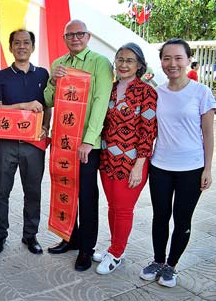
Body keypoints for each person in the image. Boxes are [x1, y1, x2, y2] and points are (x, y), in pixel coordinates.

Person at [139, 38, 215, 288]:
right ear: (161, 62)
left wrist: (207, 168)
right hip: (160, 165)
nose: (172, 64)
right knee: (160, 216)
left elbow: (207, 133)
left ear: (188, 60)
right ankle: (158, 261)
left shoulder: (201, 92)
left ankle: (171, 265)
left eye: (178, 58)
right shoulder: (156, 93)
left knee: (182, 219)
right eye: (167, 58)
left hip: (191, 169)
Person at [44, 20, 113, 271]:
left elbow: (100, 101)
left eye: (79, 34)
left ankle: (87, 248)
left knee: (86, 195)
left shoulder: (100, 63)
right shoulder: (58, 64)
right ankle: (70, 238)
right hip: (63, 141)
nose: (75, 38)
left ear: (88, 36)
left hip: (86, 144)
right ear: (64, 38)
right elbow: (49, 100)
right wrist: (53, 80)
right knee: (66, 188)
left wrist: (88, 140)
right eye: (70, 35)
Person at [95, 43, 157, 274]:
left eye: (129, 60)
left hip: (131, 163)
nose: (123, 64)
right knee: (112, 206)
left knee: (123, 209)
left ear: (139, 65)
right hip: (107, 160)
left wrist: (139, 165)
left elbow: (148, 132)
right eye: (120, 59)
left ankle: (117, 254)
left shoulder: (147, 92)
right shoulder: (109, 89)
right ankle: (114, 246)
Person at [0, 29, 50, 255]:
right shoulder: (1, 76)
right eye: (17, 43)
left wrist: (46, 127)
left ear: (32, 47)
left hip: (34, 145)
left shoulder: (43, 75)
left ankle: (30, 235)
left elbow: (47, 105)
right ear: (11, 47)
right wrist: (23, 106)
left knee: (33, 191)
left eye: (26, 43)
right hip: (6, 143)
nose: (21, 46)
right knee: (2, 190)